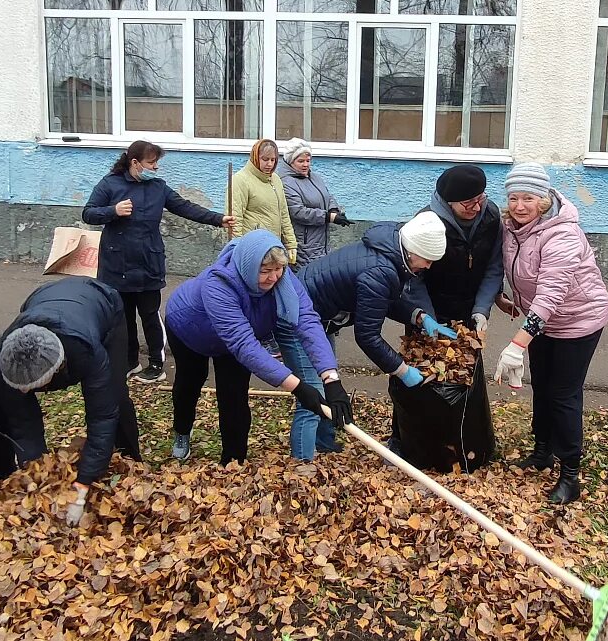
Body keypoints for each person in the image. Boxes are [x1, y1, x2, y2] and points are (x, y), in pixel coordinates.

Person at [165, 230, 351, 464]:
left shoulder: (282, 277)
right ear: (248, 266)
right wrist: (298, 387)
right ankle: (182, 431)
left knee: (234, 396)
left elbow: (306, 319)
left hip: (235, 340)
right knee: (189, 384)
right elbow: (243, 344)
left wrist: (330, 378)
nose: (273, 278)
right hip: (190, 331)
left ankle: (233, 462)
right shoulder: (218, 284)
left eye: (278, 269)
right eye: (264, 271)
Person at [493, 163, 608, 505]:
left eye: (528, 197)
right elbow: (511, 267)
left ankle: (570, 475)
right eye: (513, 197)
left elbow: (551, 294)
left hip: (578, 320)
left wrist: (518, 342)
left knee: (563, 394)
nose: (519, 205)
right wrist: (504, 296)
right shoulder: (512, 228)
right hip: (541, 321)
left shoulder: (562, 233)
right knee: (541, 387)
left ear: (543, 200)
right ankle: (542, 451)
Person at [289, 211, 447, 461]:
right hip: (299, 318)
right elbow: (367, 336)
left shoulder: (389, 253)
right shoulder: (380, 270)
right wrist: (401, 370)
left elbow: (381, 300)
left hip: (317, 315)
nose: (428, 266)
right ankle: (302, 463)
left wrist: (418, 316)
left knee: (325, 381)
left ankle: (323, 443)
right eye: (427, 260)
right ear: (413, 250)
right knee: (312, 391)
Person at [0, 277, 142, 526]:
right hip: (43, 297)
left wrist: (82, 485)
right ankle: (0, 470)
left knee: (116, 396)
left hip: (103, 304)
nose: (26, 394)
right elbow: (21, 420)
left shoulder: (85, 349)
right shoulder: (0, 358)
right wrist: (36, 473)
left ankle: (132, 461)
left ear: (56, 372)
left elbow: (101, 416)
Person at [82, 140, 228, 384]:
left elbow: (185, 207)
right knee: (122, 317)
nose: (156, 167)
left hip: (148, 262)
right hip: (116, 264)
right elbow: (88, 213)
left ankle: (156, 364)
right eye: (151, 163)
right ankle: (130, 361)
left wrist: (219, 219)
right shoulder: (109, 184)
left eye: (157, 162)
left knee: (149, 315)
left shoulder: (159, 188)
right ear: (135, 163)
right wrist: (113, 210)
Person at [391, 164, 504, 462]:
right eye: (468, 203)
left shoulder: (491, 217)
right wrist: (427, 320)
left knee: (464, 375)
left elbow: (494, 267)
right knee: (418, 374)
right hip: (427, 309)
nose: (476, 207)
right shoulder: (427, 223)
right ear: (448, 201)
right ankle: (405, 439)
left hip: (467, 310)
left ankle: (466, 442)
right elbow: (413, 278)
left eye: (480, 198)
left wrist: (481, 311)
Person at [277, 138, 352, 267]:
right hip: (304, 243)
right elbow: (298, 212)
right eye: (300, 161)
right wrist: (328, 217)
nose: (305, 164)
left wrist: (334, 210)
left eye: (308, 160)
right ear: (290, 162)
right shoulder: (285, 182)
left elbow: (327, 196)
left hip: (322, 241)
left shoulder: (315, 177)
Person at [229, 139, 297, 263]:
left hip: (274, 245)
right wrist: (236, 248)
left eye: (273, 160)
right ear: (255, 157)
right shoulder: (240, 180)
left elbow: (284, 213)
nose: (270, 164)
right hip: (252, 248)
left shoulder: (275, 179)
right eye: (265, 159)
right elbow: (235, 218)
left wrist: (291, 243)